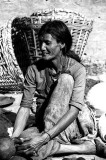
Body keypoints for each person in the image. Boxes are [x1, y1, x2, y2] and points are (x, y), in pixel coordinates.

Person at [12, 20, 97, 160]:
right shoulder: (34, 69)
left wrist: (43, 138)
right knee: (20, 142)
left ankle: (55, 145)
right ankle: (80, 148)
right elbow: (25, 107)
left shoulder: (77, 69)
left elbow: (74, 110)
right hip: (45, 125)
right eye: (40, 42)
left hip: (72, 125)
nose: (42, 47)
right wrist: (14, 137)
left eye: (47, 43)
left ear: (62, 44)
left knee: (66, 79)